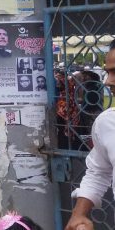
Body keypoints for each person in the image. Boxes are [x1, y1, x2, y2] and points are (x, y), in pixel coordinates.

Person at [64, 40, 115, 230]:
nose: (108, 81)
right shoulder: (107, 123)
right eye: (108, 72)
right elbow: (98, 171)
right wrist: (78, 214)